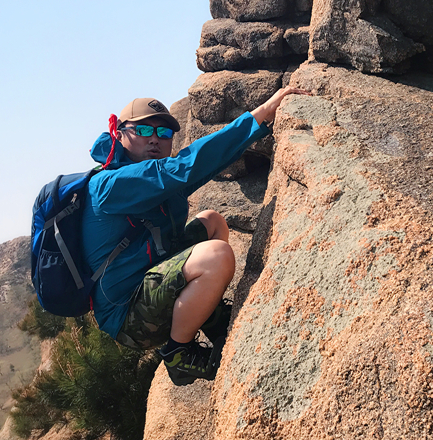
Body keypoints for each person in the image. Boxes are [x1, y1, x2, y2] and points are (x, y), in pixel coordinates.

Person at [81, 87, 310, 385]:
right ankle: (178, 354)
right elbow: (185, 167)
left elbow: (201, 167)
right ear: (119, 134)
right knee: (216, 257)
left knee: (211, 222)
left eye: (164, 132)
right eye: (144, 129)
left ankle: (212, 320)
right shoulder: (110, 184)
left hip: (147, 280)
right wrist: (261, 114)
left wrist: (258, 128)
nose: (155, 138)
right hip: (128, 313)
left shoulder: (147, 176)